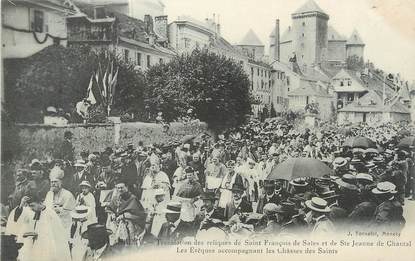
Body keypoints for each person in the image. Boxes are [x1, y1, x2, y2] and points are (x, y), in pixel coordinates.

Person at [13, 192, 72, 261]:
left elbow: (56, 233)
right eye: (30, 206)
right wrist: (21, 205)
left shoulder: (50, 213)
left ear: (40, 203)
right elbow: (17, 219)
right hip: (38, 244)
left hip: (50, 246)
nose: (31, 208)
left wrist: (40, 235)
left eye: (32, 206)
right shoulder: (36, 213)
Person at [106, 179, 146, 246]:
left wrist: (125, 216)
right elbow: (109, 209)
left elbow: (139, 214)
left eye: (121, 187)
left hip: (129, 224)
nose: (120, 190)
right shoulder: (115, 198)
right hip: (116, 223)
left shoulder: (132, 198)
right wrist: (112, 214)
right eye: (118, 188)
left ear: (126, 187)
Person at [44, 166, 76, 235]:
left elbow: (70, 211)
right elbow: (45, 208)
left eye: (55, 182)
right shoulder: (49, 194)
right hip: (50, 224)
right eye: (52, 182)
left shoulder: (67, 194)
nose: (53, 184)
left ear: (61, 182)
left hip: (64, 224)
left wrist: (59, 210)